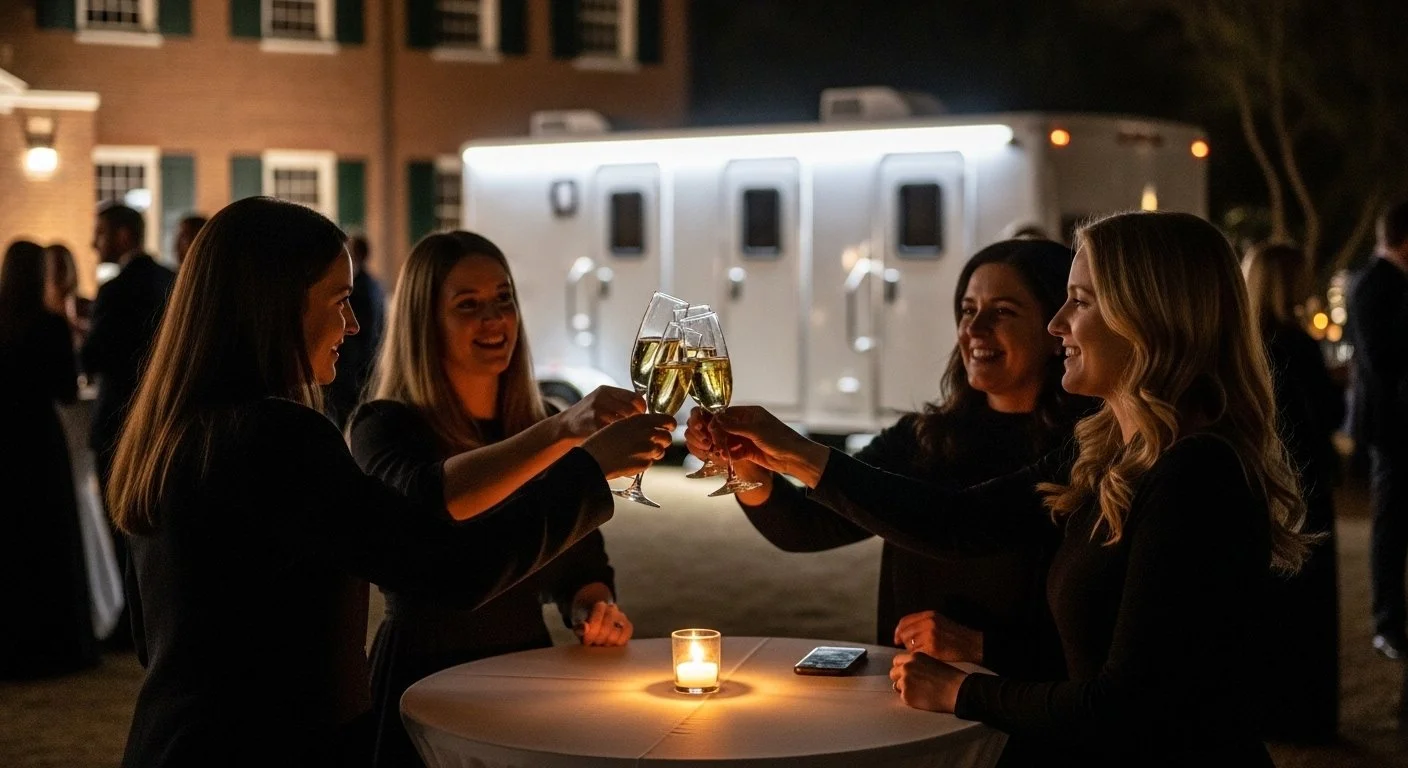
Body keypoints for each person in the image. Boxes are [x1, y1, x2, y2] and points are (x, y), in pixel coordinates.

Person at [706, 211, 1309, 765]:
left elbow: (1131, 706)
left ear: (1147, 314)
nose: (1058, 324)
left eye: (1079, 301)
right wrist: (792, 456)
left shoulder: (1194, 472)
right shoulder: (1108, 449)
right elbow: (960, 522)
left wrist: (966, 689)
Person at [106, 197, 674, 767]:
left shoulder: (174, 434)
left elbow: (148, 636)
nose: (353, 324)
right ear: (278, 305)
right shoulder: (284, 437)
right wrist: (590, 468)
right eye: (341, 300)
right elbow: (451, 568)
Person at [689, 239, 1089, 686]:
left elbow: (956, 523)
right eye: (967, 309)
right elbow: (804, 526)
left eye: (1003, 312)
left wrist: (980, 645)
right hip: (910, 691)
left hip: (1024, 706)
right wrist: (746, 466)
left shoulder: (1082, 452)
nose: (975, 329)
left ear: (1056, 331)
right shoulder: (924, 437)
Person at [350, 231, 642, 768]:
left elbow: (579, 559)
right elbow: (434, 498)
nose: (494, 318)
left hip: (523, 669)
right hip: (424, 677)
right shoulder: (383, 426)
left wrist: (590, 607)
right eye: (469, 305)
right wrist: (564, 435)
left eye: (504, 298)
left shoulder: (539, 421)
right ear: (424, 322)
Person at [1243, 242, 1341, 741]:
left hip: (1261, 483)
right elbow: (1325, 415)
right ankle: (1304, 712)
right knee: (1307, 604)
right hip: (1303, 486)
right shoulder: (1295, 345)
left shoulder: (1243, 346)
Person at [0, 240, 98, 678]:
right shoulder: (48, 326)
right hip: (37, 438)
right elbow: (66, 389)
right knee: (48, 536)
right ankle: (54, 645)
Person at [81, 204, 175, 649]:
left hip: (120, 419)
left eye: (99, 233)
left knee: (121, 522)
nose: (92, 242)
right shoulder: (169, 279)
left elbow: (95, 357)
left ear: (121, 236)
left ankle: (127, 625)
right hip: (165, 419)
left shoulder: (116, 290)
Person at [1347, 200, 1408, 660]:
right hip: (1392, 430)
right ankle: (1387, 622)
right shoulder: (1375, 285)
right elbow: (1383, 363)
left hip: (1395, 426)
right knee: (1389, 528)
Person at [327, 233, 385, 427]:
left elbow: (360, 329)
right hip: (365, 363)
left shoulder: (359, 288)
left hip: (351, 365)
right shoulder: (375, 285)